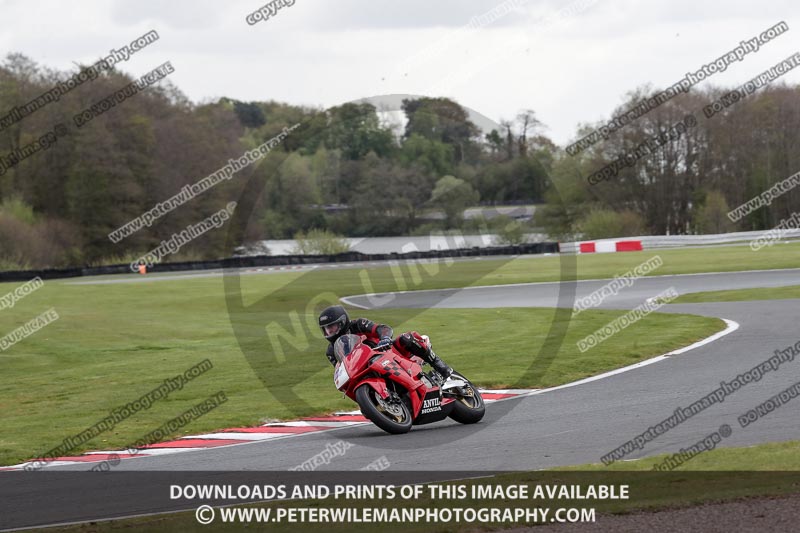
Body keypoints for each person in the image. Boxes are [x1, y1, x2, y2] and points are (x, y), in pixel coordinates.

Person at [318, 305, 452, 379]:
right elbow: (343, 370)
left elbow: (383, 329)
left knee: (408, 337)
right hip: (368, 370)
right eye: (326, 330)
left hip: (388, 354)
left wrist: (385, 338)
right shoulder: (331, 352)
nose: (329, 332)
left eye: (332, 327)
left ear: (342, 322)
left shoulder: (358, 324)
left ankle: (440, 366)